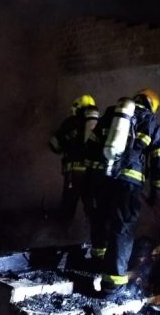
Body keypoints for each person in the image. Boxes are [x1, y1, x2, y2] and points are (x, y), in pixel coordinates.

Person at [87, 88, 160, 297]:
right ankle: (113, 284)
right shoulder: (151, 121)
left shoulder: (113, 113)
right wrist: (156, 191)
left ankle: (96, 264)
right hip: (129, 185)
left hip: (103, 178)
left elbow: (91, 145)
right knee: (121, 230)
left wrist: (92, 177)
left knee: (101, 220)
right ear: (153, 106)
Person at [48, 94, 99, 227]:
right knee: (91, 208)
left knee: (68, 206)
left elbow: (55, 145)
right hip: (92, 172)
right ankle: (94, 239)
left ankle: (61, 236)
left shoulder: (70, 122)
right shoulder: (98, 123)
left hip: (73, 174)